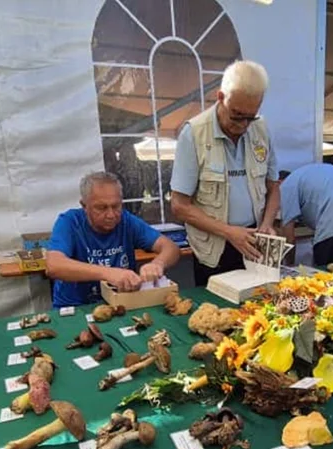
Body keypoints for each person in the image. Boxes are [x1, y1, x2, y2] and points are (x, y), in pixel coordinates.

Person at [170, 60, 279, 287]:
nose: (243, 125)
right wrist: (229, 232)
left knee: (259, 311)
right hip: (214, 250)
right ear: (221, 97)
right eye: (237, 115)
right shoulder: (194, 134)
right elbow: (179, 206)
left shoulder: (261, 128)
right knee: (218, 317)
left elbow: (274, 187)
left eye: (251, 116)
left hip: (255, 242)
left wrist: (268, 222)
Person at [46, 171, 180, 306]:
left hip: (120, 303)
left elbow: (171, 248)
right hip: (76, 307)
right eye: (101, 208)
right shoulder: (70, 222)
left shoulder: (126, 221)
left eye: (116, 206)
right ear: (84, 206)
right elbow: (54, 265)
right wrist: (109, 273)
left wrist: (157, 264)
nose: (111, 215)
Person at [262, 165, 333, 266]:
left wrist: (289, 267)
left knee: (328, 276)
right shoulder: (311, 174)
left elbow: (288, 237)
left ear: (279, 182)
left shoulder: (285, 187)